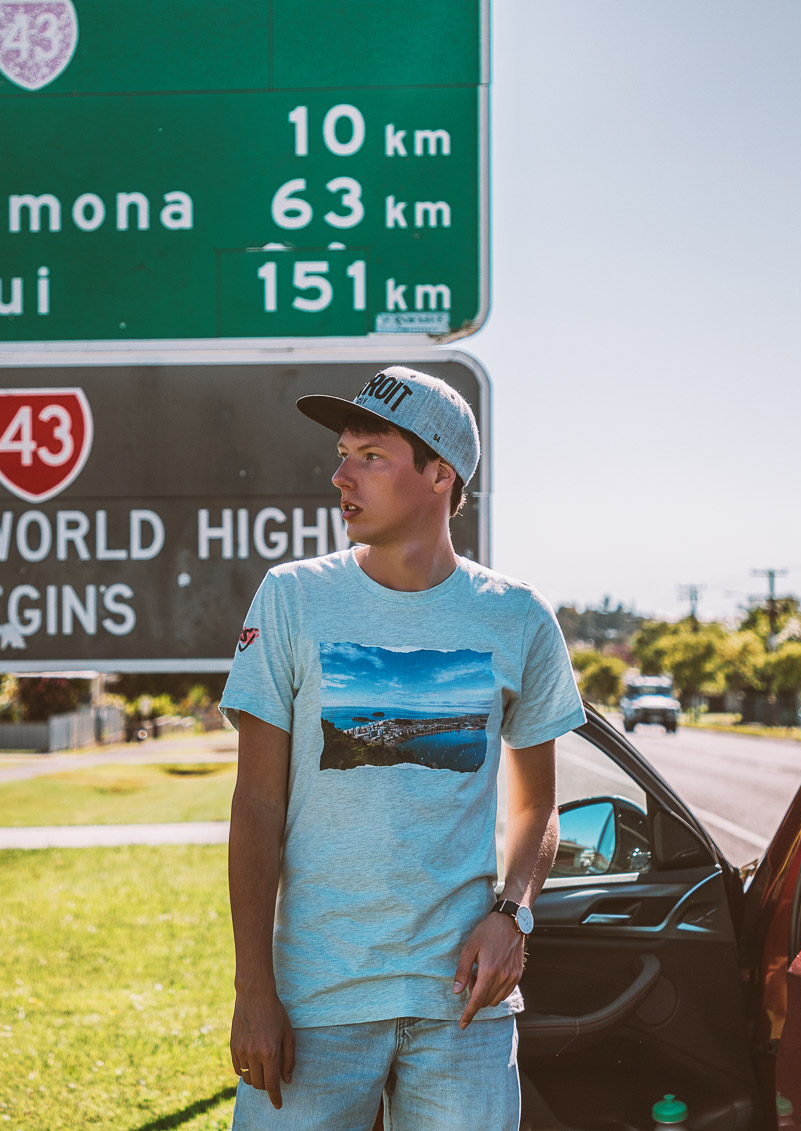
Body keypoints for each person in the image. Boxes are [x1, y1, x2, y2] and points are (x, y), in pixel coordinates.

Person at [220, 365, 586, 1130]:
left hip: (462, 1008)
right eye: (344, 453)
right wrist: (253, 987)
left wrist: (513, 914)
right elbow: (256, 802)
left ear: (439, 475)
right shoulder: (292, 597)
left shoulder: (516, 617)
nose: (340, 475)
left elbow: (537, 803)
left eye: (371, 456)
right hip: (316, 999)